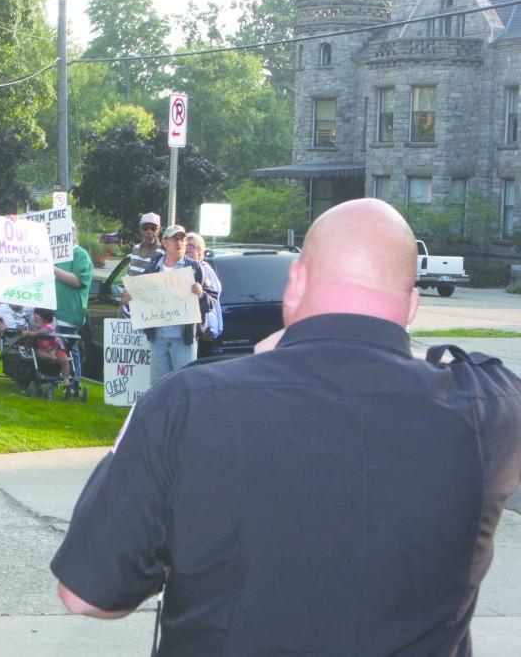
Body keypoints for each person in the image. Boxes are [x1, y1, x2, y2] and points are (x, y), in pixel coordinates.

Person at [51, 199, 521, 655]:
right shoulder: (486, 411)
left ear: (295, 283)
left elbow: (87, 593)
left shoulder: (185, 403)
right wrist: (393, 363)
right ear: (413, 304)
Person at [128, 224, 214, 385]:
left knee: (185, 384)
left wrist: (201, 294)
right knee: (158, 386)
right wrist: (132, 297)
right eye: (175, 239)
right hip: (158, 338)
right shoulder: (153, 267)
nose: (179, 242)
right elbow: (143, 300)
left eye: (182, 239)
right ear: (164, 242)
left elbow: (210, 303)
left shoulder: (195, 268)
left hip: (183, 339)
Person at [53, 225, 92, 388]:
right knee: (52, 346)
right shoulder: (54, 254)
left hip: (69, 311)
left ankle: (74, 380)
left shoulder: (80, 254)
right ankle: (52, 377)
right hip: (51, 312)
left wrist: (53, 269)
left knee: (68, 346)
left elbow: (78, 281)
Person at [184, 231, 222, 357]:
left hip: (202, 330)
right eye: (186, 245)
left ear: (200, 251)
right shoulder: (178, 267)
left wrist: (200, 293)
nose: (188, 248)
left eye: (192, 246)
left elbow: (213, 298)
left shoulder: (205, 269)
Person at [122, 212, 164, 317]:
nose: (149, 232)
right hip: (129, 308)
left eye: (154, 228)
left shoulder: (163, 252)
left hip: (149, 311)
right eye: (145, 228)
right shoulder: (135, 249)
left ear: (159, 230)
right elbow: (130, 274)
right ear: (140, 229)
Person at [20, 308, 71, 385]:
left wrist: (29, 333)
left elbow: (41, 332)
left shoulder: (49, 327)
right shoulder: (37, 328)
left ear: (45, 321)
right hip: (42, 349)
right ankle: (53, 358)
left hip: (55, 349)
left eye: (37, 321)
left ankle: (66, 378)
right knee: (40, 353)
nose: (35, 323)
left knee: (64, 360)